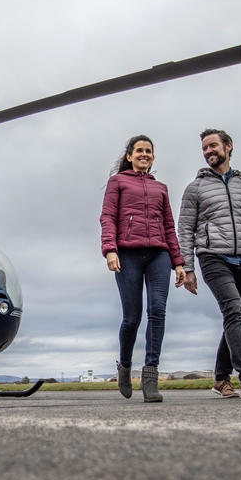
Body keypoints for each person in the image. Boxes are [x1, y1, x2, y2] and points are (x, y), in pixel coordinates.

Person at [177, 129, 241, 399]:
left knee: (235, 317)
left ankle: (221, 378)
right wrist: (188, 267)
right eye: (204, 148)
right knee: (233, 311)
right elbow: (185, 229)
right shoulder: (195, 188)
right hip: (212, 256)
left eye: (213, 145)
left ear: (228, 146)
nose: (208, 151)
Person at [100, 135, 186, 402]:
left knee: (157, 310)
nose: (144, 154)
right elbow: (108, 216)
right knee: (132, 318)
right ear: (130, 156)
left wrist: (178, 261)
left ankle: (150, 378)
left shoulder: (161, 187)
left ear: (153, 157)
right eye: (139, 150)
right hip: (128, 253)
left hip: (159, 253)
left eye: (149, 151)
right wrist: (110, 249)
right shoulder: (117, 182)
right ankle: (125, 367)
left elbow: (169, 226)